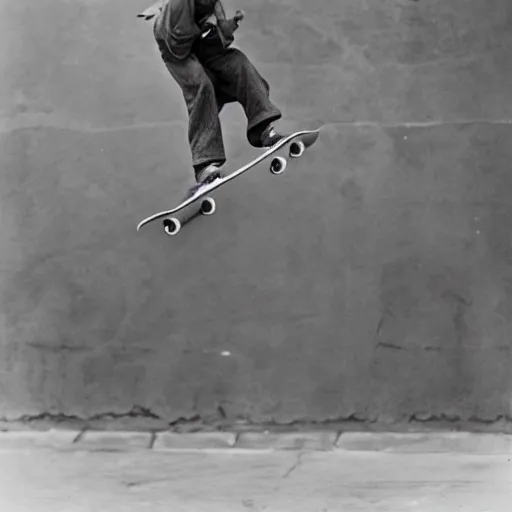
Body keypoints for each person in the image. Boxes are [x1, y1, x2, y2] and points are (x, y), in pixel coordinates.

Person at [138, 0, 286, 197]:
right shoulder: (178, 6)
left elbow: (218, 28)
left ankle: (263, 129)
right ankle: (205, 165)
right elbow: (176, 44)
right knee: (202, 86)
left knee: (238, 64)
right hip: (176, 46)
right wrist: (204, 27)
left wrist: (224, 27)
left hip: (202, 37)